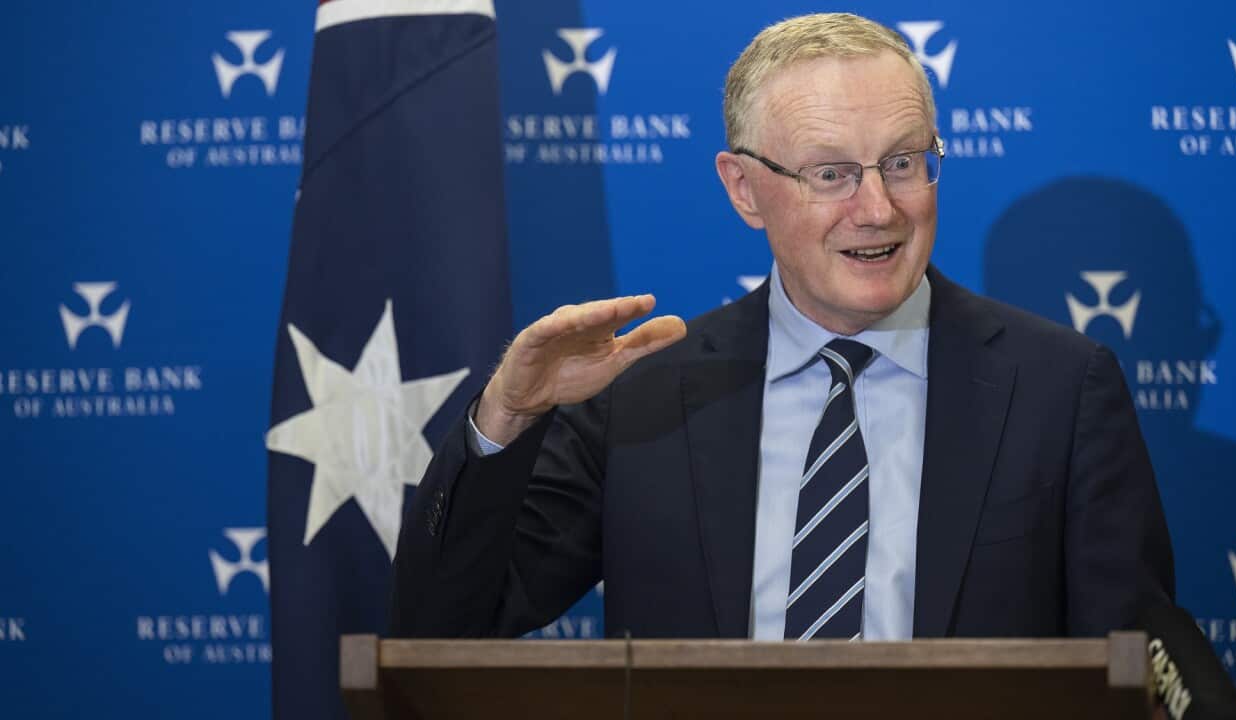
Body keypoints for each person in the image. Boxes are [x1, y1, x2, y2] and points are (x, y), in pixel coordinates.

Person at [388, 13, 1174, 640]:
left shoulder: (1060, 390)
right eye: (830, 174)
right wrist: (507, 421)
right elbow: (452, 622)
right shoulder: (644, 394)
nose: (879, 209)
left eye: (903, 162)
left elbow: (1134, 672)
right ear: (744, 188)